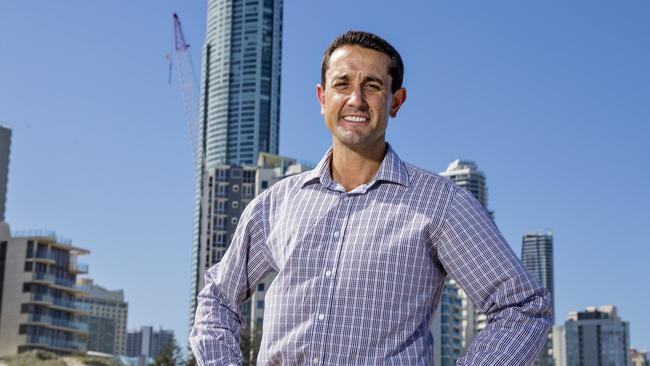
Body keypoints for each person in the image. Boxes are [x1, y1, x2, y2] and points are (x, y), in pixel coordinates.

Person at [189, 30, 552, 365]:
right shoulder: (275, 203)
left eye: (372, 86)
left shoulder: (441, 203)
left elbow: (523, 306)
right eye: (342, 84)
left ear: (396, 101)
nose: (356, 99)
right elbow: (217, 299)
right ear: (322, 97)